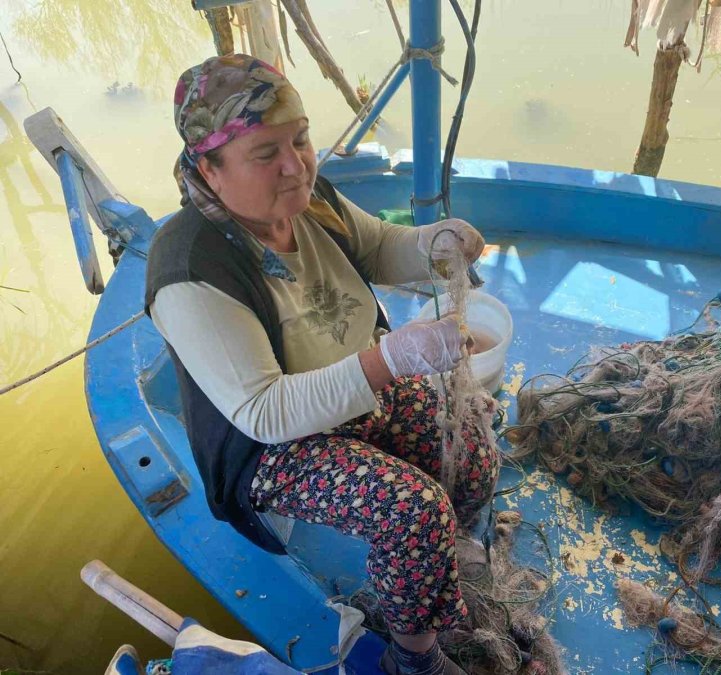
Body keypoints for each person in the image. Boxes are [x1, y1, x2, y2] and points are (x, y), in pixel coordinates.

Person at [144, 54, 500, 675]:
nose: (296, 165)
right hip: (272, 446)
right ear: (209, 168)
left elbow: (379, 247)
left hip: (358, 385)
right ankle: (412, 657)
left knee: (470, 448)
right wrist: (393, 357)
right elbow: (265, 410)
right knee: (412, 512)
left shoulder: (308, 198)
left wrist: (432, 244)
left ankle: (443, 564)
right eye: (266, 153)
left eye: (301, 139)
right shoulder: (190, 268)